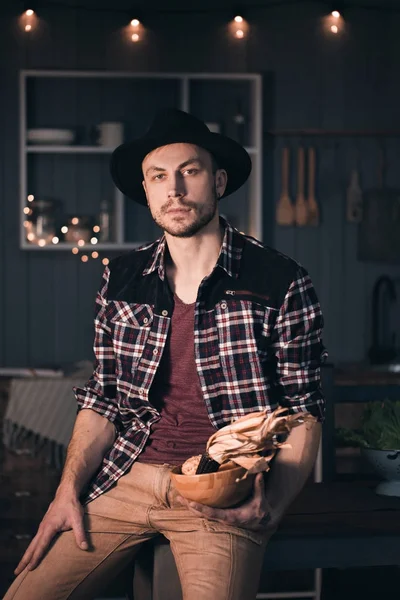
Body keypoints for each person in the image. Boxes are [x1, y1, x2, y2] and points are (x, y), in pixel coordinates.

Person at [5, 108, 327, 600]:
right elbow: (104, 400)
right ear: (147, 190)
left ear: (218, 181)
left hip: (219, 488)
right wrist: (66, 491)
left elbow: (303, 412)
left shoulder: (279, 279)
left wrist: (272, 507)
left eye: (189, 172)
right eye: (159, 176)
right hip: (125, 478)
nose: (174, 189)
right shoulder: (122, 278)